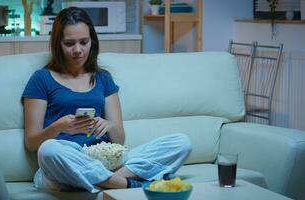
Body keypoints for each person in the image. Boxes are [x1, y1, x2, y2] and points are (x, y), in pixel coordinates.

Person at [21, 7, 192, 193]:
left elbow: (119, 139)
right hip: (65, 160)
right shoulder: (41, 79)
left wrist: (109, 126)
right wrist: (58, 127)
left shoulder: (103, 79)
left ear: (92, 42)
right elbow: (31, 142)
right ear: (57, 44)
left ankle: (97, 181)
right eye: (69, 43)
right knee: (49, 150)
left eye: (84, 42)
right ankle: (129, 184)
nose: (78, 50)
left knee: (181, 143)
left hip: (104, 161)